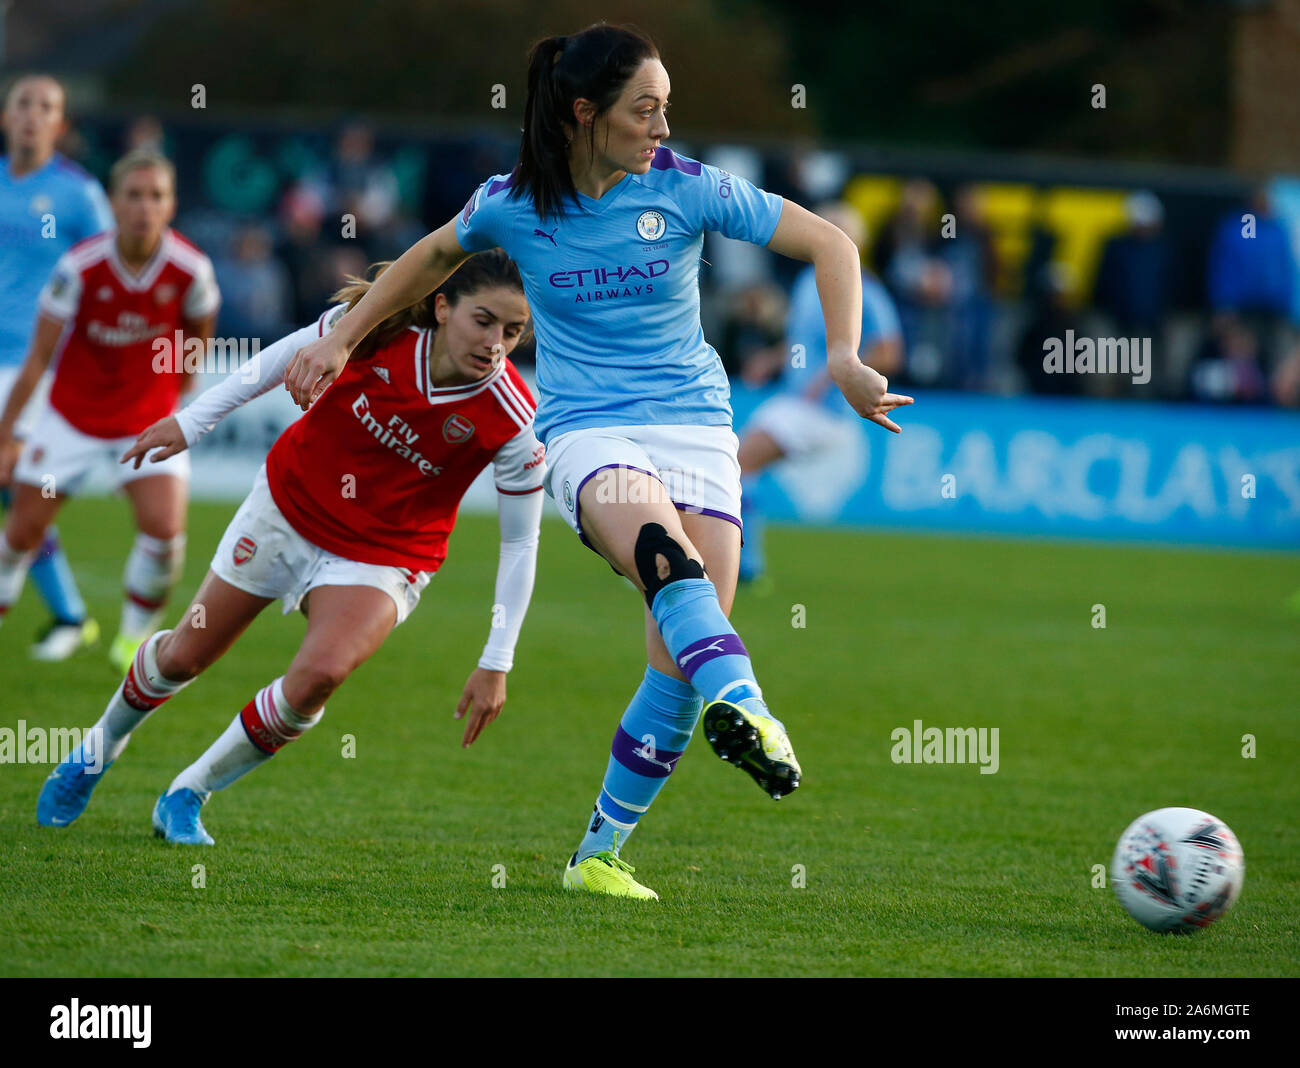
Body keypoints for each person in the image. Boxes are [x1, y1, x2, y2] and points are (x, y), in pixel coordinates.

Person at [284, 24, 912, 900]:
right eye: (643, 110)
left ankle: (597, 857)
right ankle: (759, 709)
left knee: (682, 663)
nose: (661, 127)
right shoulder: (512, 203)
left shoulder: (688, 188)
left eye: (666, 109)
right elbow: (430, 256)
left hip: (698, 429)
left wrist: (842, 357)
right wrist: (346, 339)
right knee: (669, 564)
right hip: (588, 432)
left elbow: (832, 244)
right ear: (586, 113)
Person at [36, 251, 544, 844]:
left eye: (513, 331)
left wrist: (496, 660)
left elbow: (521, 539)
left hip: (384, 555)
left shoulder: (514, 417)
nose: (496, 344)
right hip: (288, 509)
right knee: (182, 657)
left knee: (319, 677)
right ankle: (96, 750)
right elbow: (275, 362)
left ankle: (187, 794)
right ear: (441, 305)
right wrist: (192, 422)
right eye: (483, 321)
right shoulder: (377, 329)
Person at [0, 149, 218, 674]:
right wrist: (7, 436)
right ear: (114, 204)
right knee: (22, 533)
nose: (145, 207)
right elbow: (38, 359)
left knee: (165, 532)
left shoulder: (191, 269)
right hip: (70, 417)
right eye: (134, 195)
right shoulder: (80, 267)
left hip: (144, 421)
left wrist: (176, 403)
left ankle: (131, 642)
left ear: (171, 205)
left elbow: (197, 340)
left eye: (156, 196)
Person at [0, 74, 112, 659]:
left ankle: (67, 614)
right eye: (23, 104)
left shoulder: (78, 194)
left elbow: (110, 271)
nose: (32, 116)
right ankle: (69, 613)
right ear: (5, 115)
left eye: (46, 108)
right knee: (15, 495)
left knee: (11, 480)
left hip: (36, 365)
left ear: (60, 125)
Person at [736, 201, 903, 583]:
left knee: (738, 462)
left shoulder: (866, 290)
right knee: (738, 466)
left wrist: (838, 374)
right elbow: (804, 343)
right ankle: (741, 561)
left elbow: (890, 350)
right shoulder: (805, 281)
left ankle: (737, 561)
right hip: (795, 403)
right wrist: (773, 359)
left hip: (823, 411)